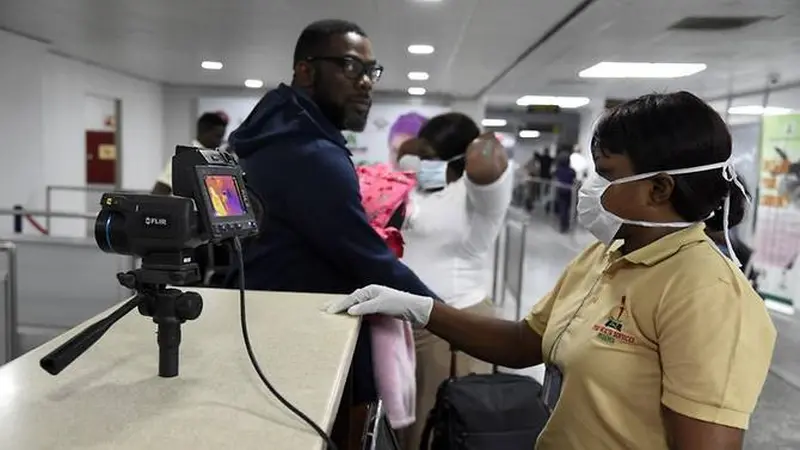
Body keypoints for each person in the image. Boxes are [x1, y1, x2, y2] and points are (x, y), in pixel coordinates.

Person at [328, 92, 777, 450]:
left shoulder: (706, 294)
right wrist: (421, 308)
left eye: (605, 174)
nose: (590, 187)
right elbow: (527, 342)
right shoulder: (605, 257)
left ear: (659, 188)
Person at [224, 19, 439, 448]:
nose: (365, 84)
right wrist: (444, 315)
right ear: (305, 70)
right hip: (298, 348)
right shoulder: (308, 153)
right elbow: (362, 255)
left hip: (271, 328)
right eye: (349, 66)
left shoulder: (279, 135)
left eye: (371, 71)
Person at [393, 114, 512, 450]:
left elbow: (488, 158)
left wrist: (475, 141)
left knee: (442, 429)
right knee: (408, 425)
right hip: (407, 321)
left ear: (459, 158)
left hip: (453, 324)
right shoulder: (420, 187)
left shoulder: (480, 195)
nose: (422, 162)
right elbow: (405, 152)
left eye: (431, 157)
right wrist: (424, 150)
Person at [152, 112, 228, 195]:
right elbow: (159, 191)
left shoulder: (217, 157)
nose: (220, 142)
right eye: (218, 136)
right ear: (204, 132)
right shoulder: (183, 158)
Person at [553, 150, 577, 233]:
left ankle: (563, 226)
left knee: (563, 209)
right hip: (570, 192)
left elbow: (555, 178)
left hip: (561, 191)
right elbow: (574, 180)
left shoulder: (558, 170)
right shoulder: (572, 171)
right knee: (568, 209)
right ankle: (567, 225)